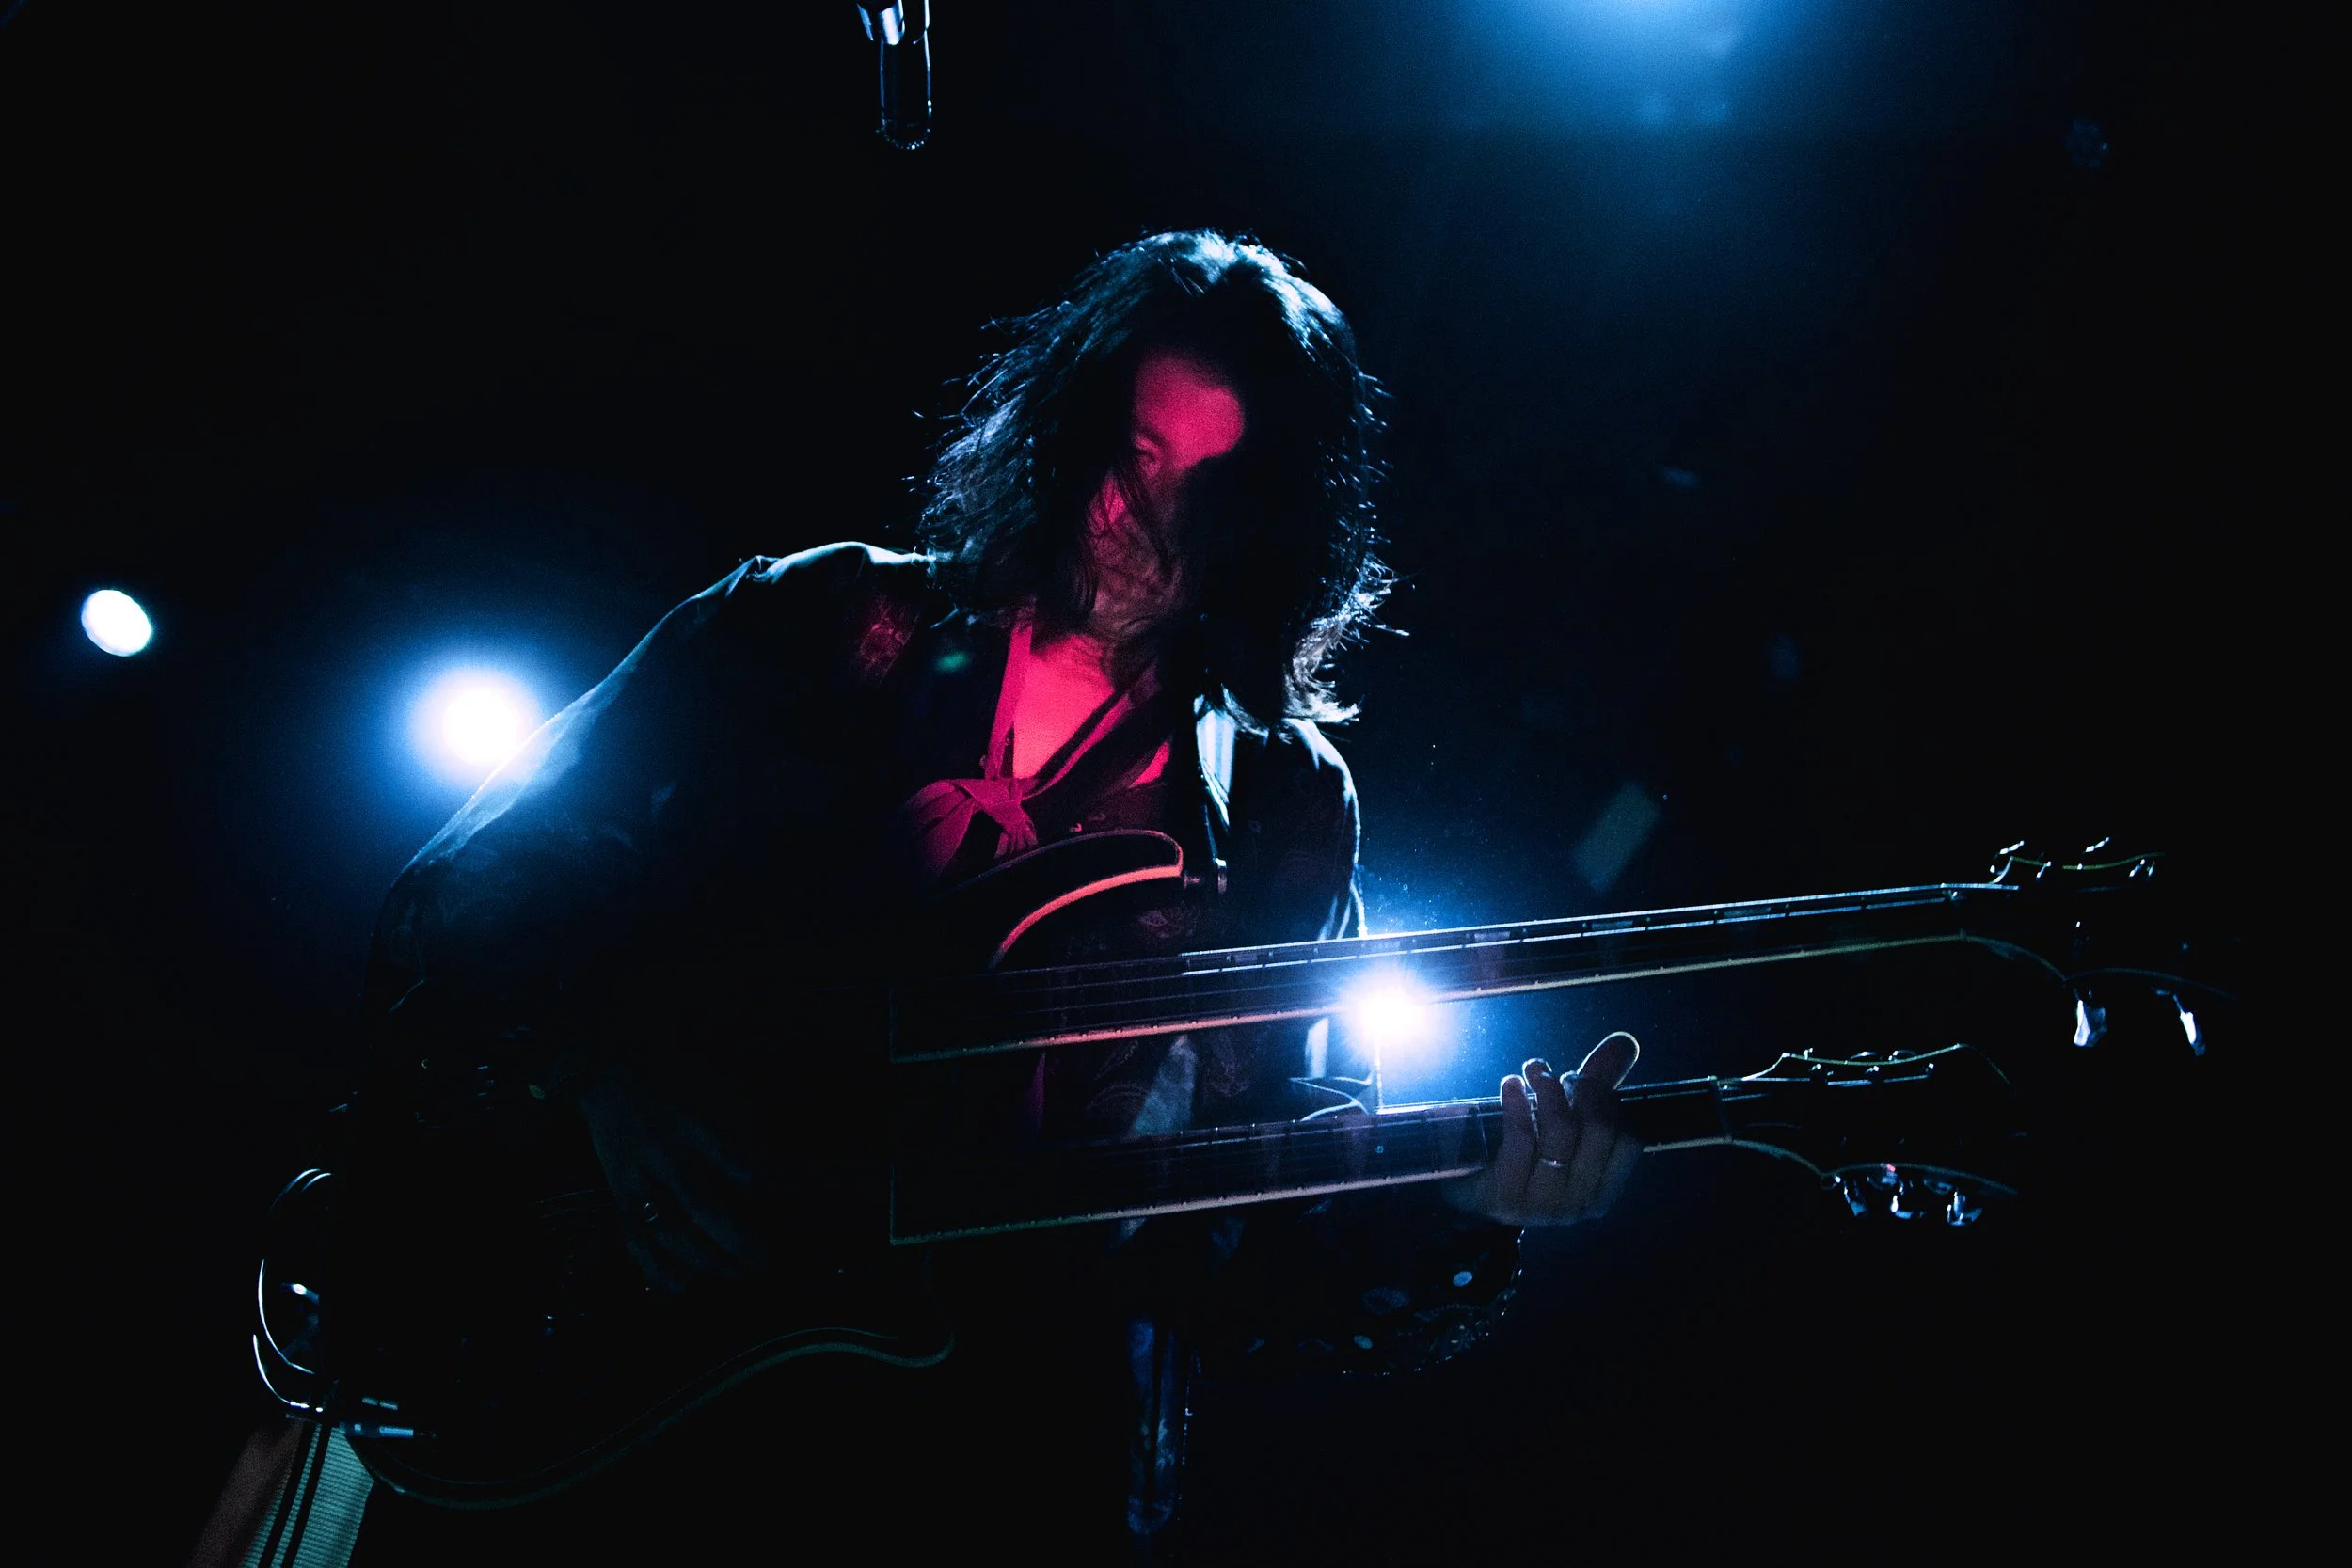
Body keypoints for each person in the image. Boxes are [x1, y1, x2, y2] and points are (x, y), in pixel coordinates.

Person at [335, 230, 1639, 1564]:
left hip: (997, 1469)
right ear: (1067, 425)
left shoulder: (1286, 804)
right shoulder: (825, 622)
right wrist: (597, 1067)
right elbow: (469, 884)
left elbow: (1234, 1243)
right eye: (1133, 456)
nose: (1149, 524)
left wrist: (1470, 1204)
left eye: (1214, 488)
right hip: (644, 1405)